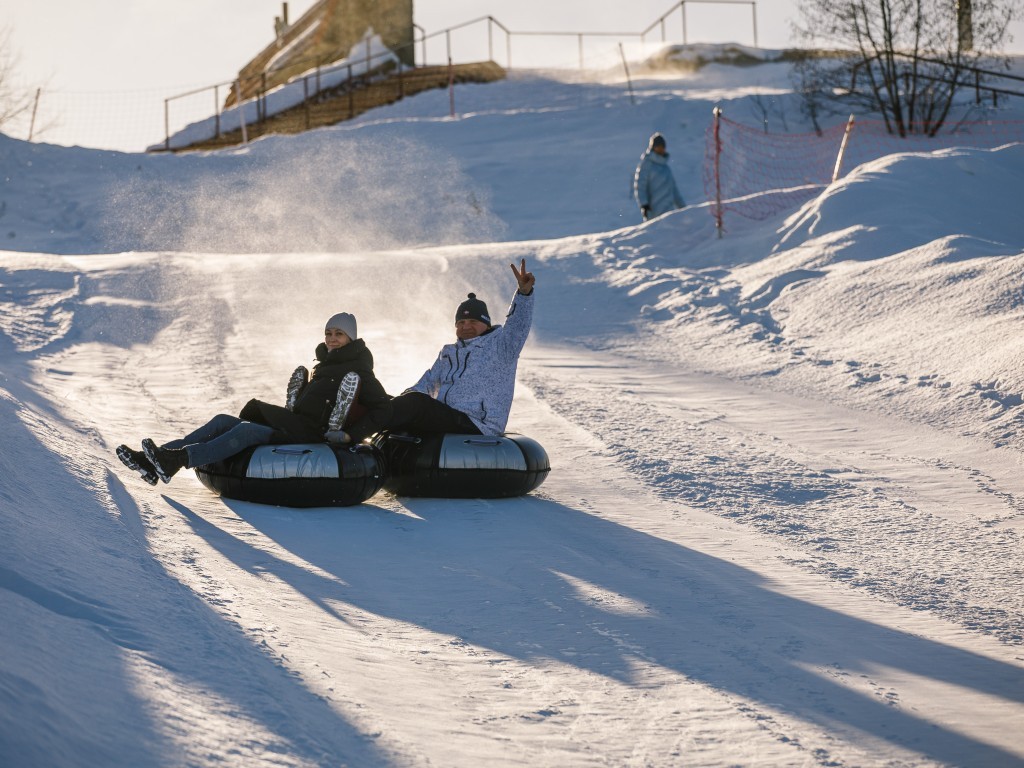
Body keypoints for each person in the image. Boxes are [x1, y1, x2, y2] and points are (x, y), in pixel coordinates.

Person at [116, 311, 391, 485]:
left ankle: (174, 461)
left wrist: (349, 436)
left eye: (339, 334)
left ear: (351, 338)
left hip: (313, 435)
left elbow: (381, 408)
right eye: (329, 333)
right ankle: (152, 461)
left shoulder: (360, 370)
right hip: (295, 425)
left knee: (248, 430)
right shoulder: (325, 366)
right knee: (222, 421)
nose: (332, 339)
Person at [331, 259, 536, 445]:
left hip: (477, 423)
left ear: (485, 323)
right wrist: (391, 402)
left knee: (416, 404)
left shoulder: (501, 346)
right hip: (446, 417)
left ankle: (352, 433)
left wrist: (524, 294)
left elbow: (518, 325)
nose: (466, 326)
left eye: (473, 321)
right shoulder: (449, 352)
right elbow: (426, 384)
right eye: (461, 322)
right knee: (390, 399)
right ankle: (340, 416)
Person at [634, 132, 685, 221]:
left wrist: (683, 209)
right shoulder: (646, 164)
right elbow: (640, 186)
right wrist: (644, 205)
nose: (661, 150)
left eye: (663, 147)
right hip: (654, 213)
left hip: (669, 212)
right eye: (659, 147)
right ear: (653, 148)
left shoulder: (666, 168)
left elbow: (674, 190)